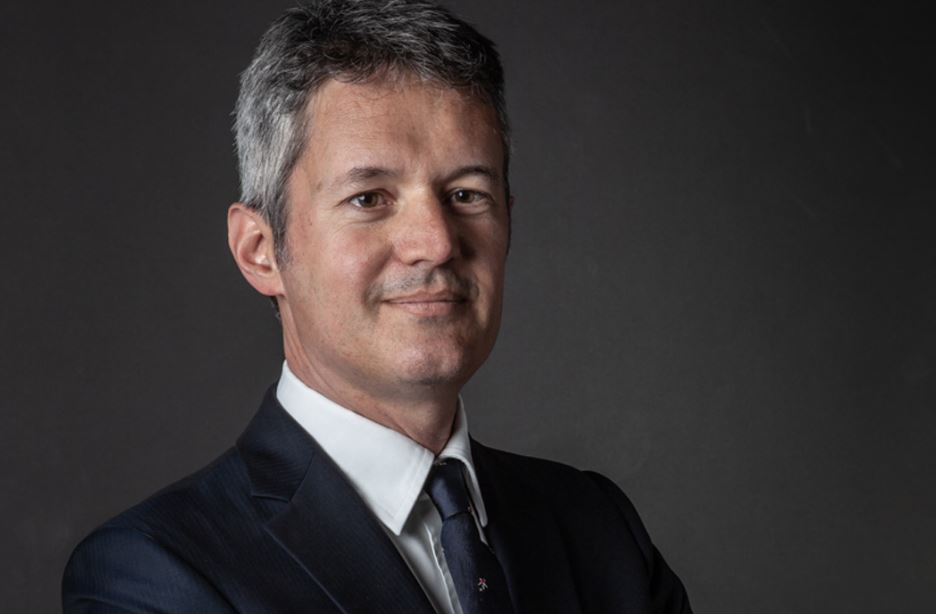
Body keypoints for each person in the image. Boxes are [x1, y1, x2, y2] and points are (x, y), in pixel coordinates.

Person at [62, 1, 692, 612]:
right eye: (369, 198)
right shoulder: (154, 575)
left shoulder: (598, 529)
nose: (436, 242)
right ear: (260, 251)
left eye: (466, 194)